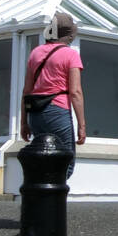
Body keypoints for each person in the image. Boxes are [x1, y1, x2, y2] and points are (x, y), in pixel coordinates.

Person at [20, 11, 86, 179]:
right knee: (66, 163)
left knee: (43, 159)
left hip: (35, 112)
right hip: (58, 111)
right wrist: (82, 125)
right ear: (69, 35)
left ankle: (41, 199)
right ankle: (51, 203)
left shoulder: (35, 53)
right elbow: (75, 92)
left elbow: (26, 91)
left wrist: (24, 123)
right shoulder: (71, 55)